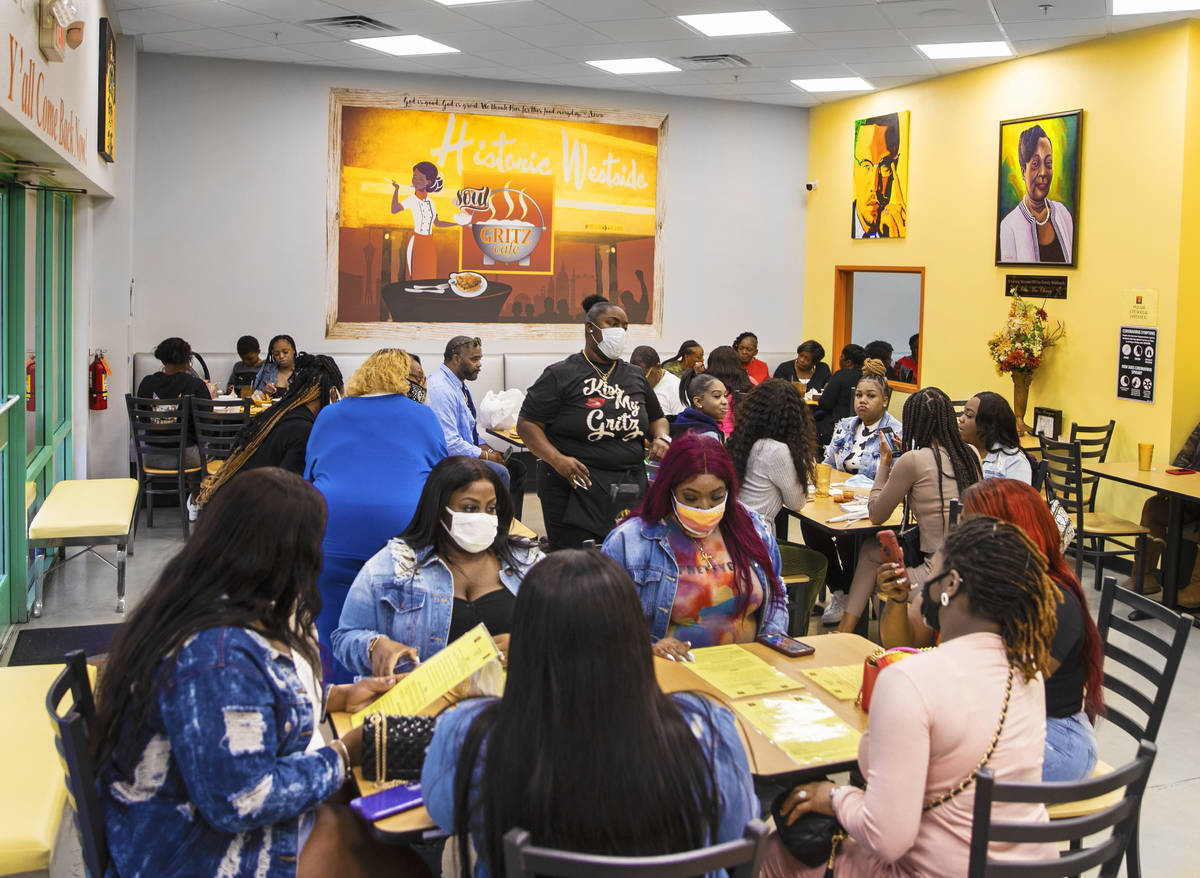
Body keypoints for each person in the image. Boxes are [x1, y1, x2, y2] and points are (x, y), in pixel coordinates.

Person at [92, 468, 428, 878]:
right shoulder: (216, 655)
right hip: (188, 852)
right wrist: (345, 752)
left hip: (187, 824)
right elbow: (245, 797)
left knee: (360, 821)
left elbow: (240, 713)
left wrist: (333, 698)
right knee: (377, 843)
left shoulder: (211, 607)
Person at [419, 549, 757, 878]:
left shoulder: (470, 734)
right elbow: (733, 831)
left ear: (526, 639)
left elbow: (445, 813)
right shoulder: (706, 729)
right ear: (634, 638)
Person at [764, 517, 1059, 877]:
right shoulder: (1028, 669)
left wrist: (835, 798)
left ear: (949, 585)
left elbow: (887, 839)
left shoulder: (907, 680)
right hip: (1025, 867)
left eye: (936, 570)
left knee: (775, 852)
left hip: (933, 868)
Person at [878, 479, 1105, 782]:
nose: (961, 536)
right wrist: (897, 598)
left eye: (973, 526)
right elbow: (902, 640)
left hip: (1053, 735)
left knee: (917, 769)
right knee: (899, 754)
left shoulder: (1054, 602)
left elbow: (1007, 693)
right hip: (993, 725)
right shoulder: (967, 583)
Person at [306, 349, 447, 680]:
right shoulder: (422, 416)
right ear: (402, 378)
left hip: (332, 534)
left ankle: (342, 696)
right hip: (404, 538)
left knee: (335, 629)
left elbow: (310, 476)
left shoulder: (329, 415)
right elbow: (443, 478)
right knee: (405, 631)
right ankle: (397, 701)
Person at [334, 456, 543, 677]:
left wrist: (527, 645)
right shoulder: (395, 565)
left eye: (491, 508)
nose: (482, 518)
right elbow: (345, 637)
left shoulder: (527, 562)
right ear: (440, 509)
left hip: (510, 704)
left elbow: (568, 628)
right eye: (470, 508)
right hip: (421, 706)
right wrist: (374, 646)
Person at [601, 433, 787, 657]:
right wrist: (648, 651)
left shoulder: (751, 528)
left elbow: (777, 594)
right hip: (673, 679)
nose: (704, 507)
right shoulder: (631, 542)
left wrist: (773, 643)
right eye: (690, 498)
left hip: (751, 672)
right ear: (669, 490)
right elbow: (605, 626)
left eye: (717, 496)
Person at [517, 294, 670, 550]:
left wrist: (662, 437)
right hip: (574, 486)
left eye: (625, 326)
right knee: (578, 566)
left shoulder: (634, 375)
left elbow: (657, 418)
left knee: (626, 557)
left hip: (628, 485)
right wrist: (557, 460)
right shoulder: (561, 374)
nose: (620, 331)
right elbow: (527, 424)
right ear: (591, 328)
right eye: (613, 324)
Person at [838, 387, 982, 634]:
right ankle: (846, 630)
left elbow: (876, 514)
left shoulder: (913, 460)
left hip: (935, 574)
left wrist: (885, 463)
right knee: (872, 549)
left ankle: (875, 638)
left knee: (879, 571)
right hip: (971, 566)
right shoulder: (970, 454)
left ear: (913, 424)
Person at [807, 364, 902, 626]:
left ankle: (851, 596)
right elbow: (827, 464)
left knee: (850, 538)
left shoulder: (895, 433)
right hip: (841, 497)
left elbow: (895, 478)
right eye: (859, 395)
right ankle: (841, 590)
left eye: (870, 396)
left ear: (885, 400)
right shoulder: (846, 425)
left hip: (872, 504)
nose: (862, 401)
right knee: (811, 527)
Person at [196, 354, 343, 506]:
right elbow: (288, 494)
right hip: (247, 515)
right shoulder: (302, 430)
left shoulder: (278, 414)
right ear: (332, 392)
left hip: (229, 504)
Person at [427, 336, 527, 517]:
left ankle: (511, 527)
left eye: (480, 358)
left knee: (517, 468)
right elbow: (449, 443)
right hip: (448, 462)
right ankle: (498, 534)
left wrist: (485, 448)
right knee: (501, 472)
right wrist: (486, 456)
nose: (480, 364)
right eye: (474, 359)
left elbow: (469, 431)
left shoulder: (457, 385)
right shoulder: (440, 389)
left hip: (462, 455)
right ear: (456, 358)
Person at [727, 379, 818, 536]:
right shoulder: (776, 451)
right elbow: (796, 503)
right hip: (757, 533)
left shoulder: (742, 440)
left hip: (734, 527)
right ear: (795, 417)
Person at [1134, 418, 1200, 606]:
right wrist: (1174, 480)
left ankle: (1197, 587)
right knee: (1154, 507)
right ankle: (1144, 576)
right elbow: (1182, 459)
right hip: (1190, 498)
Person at [999, 124, 1074, 264]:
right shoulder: (1009, 227)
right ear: (1023, 172)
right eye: (1035, 163)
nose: (1043, 172)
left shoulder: (1063, 214)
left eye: (1048, 163)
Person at [136, 337, 212, 470]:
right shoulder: (196, 385)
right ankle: (194, 490)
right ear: (188, 360)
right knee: (214, 451)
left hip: (151, 456)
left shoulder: (146, 383)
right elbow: (205, 425)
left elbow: (143, 419)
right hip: (187, 458)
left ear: (162, 358)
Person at [391, 160, 459, 279]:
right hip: (416, 240)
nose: (415, 180)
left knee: (429, 274)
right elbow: (394, 209)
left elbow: (437, 223)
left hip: (429, 242)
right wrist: (396, 190)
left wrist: (457, 223)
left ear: (429, 182)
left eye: (419, 178)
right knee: (415, 276)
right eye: (414, 177)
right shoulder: (412, 199)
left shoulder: (430, 202)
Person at [851, 111, 906, 239]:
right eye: (866, 166)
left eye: (885, 166)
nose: (875, 187)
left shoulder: (896, 223)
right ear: (853, 168)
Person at [958, 391, 1033, 483]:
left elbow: (1019, 497)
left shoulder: (1013, 462)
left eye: (969, 415)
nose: (961, 419)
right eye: (963, 413)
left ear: (989, 425)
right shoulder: (960, 454)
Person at [813, 344, 866, 445]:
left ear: (848, 362)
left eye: (841, 357)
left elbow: (825, 404)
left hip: (838, 427)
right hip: (863, 428)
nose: (839, 360)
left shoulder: (841, 375)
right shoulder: (868, 377)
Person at [700, 344, 754, 437]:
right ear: (737, 363)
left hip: (712, 436)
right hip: (742, 438)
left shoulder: (705, 384)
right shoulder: (750, 382)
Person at [670, 374, 727, 443]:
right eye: (717, 396)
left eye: (725, 395)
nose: (725, 401)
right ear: (698, 402)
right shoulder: (708, 437)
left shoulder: (680, 421)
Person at [630, 344, 683, 417]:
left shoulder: (676, 388)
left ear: (658, 367)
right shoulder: (631, 382)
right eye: (635, 376)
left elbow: (682, 424)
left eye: (643, 375)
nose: (638, 381)